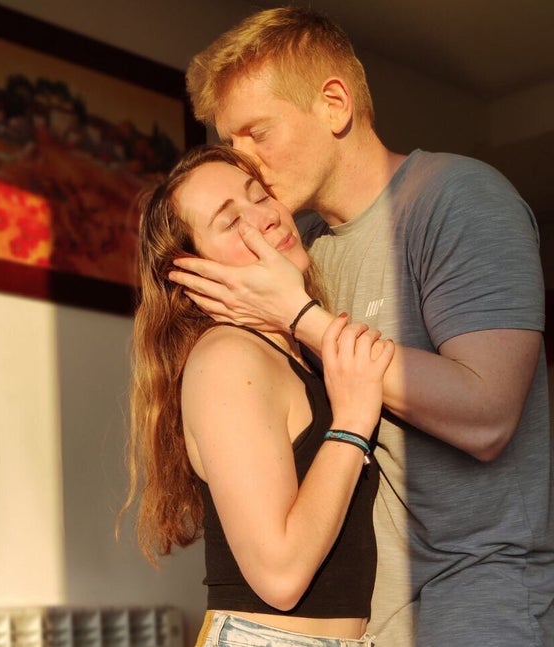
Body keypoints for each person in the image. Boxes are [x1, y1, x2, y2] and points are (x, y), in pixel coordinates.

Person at [168, 7, 554, 647]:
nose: (248, 164)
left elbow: (487, 416)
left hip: (475, 602)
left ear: (334, 104)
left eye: (256, 134)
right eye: (231, 146)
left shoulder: (457, 199)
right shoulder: (302, 248)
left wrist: (300, 318)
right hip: (369, 621)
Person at [120, 144, 395, 647]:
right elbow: (280, 574)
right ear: (191, 272)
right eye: (230, 222)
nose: (265, 218)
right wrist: (353, 421)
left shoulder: (288, 354)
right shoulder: (228, 359)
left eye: (260, 195)